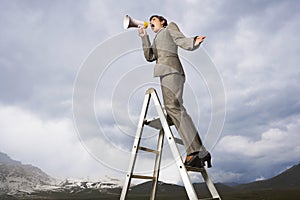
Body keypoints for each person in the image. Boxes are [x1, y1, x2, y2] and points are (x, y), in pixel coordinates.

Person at [138, 15, 211, 168]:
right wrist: (144, 37)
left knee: (174, 107)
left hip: (172, 70)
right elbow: (149, 56)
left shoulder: (169, 27)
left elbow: (180, 39)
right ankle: (201, 152)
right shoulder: (157, 37)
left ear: (162, 21)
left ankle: (196, 151)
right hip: (164, 72)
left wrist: (193, 42)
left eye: (154, 20)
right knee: (172, 108)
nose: (151, 22)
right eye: (150, 21)